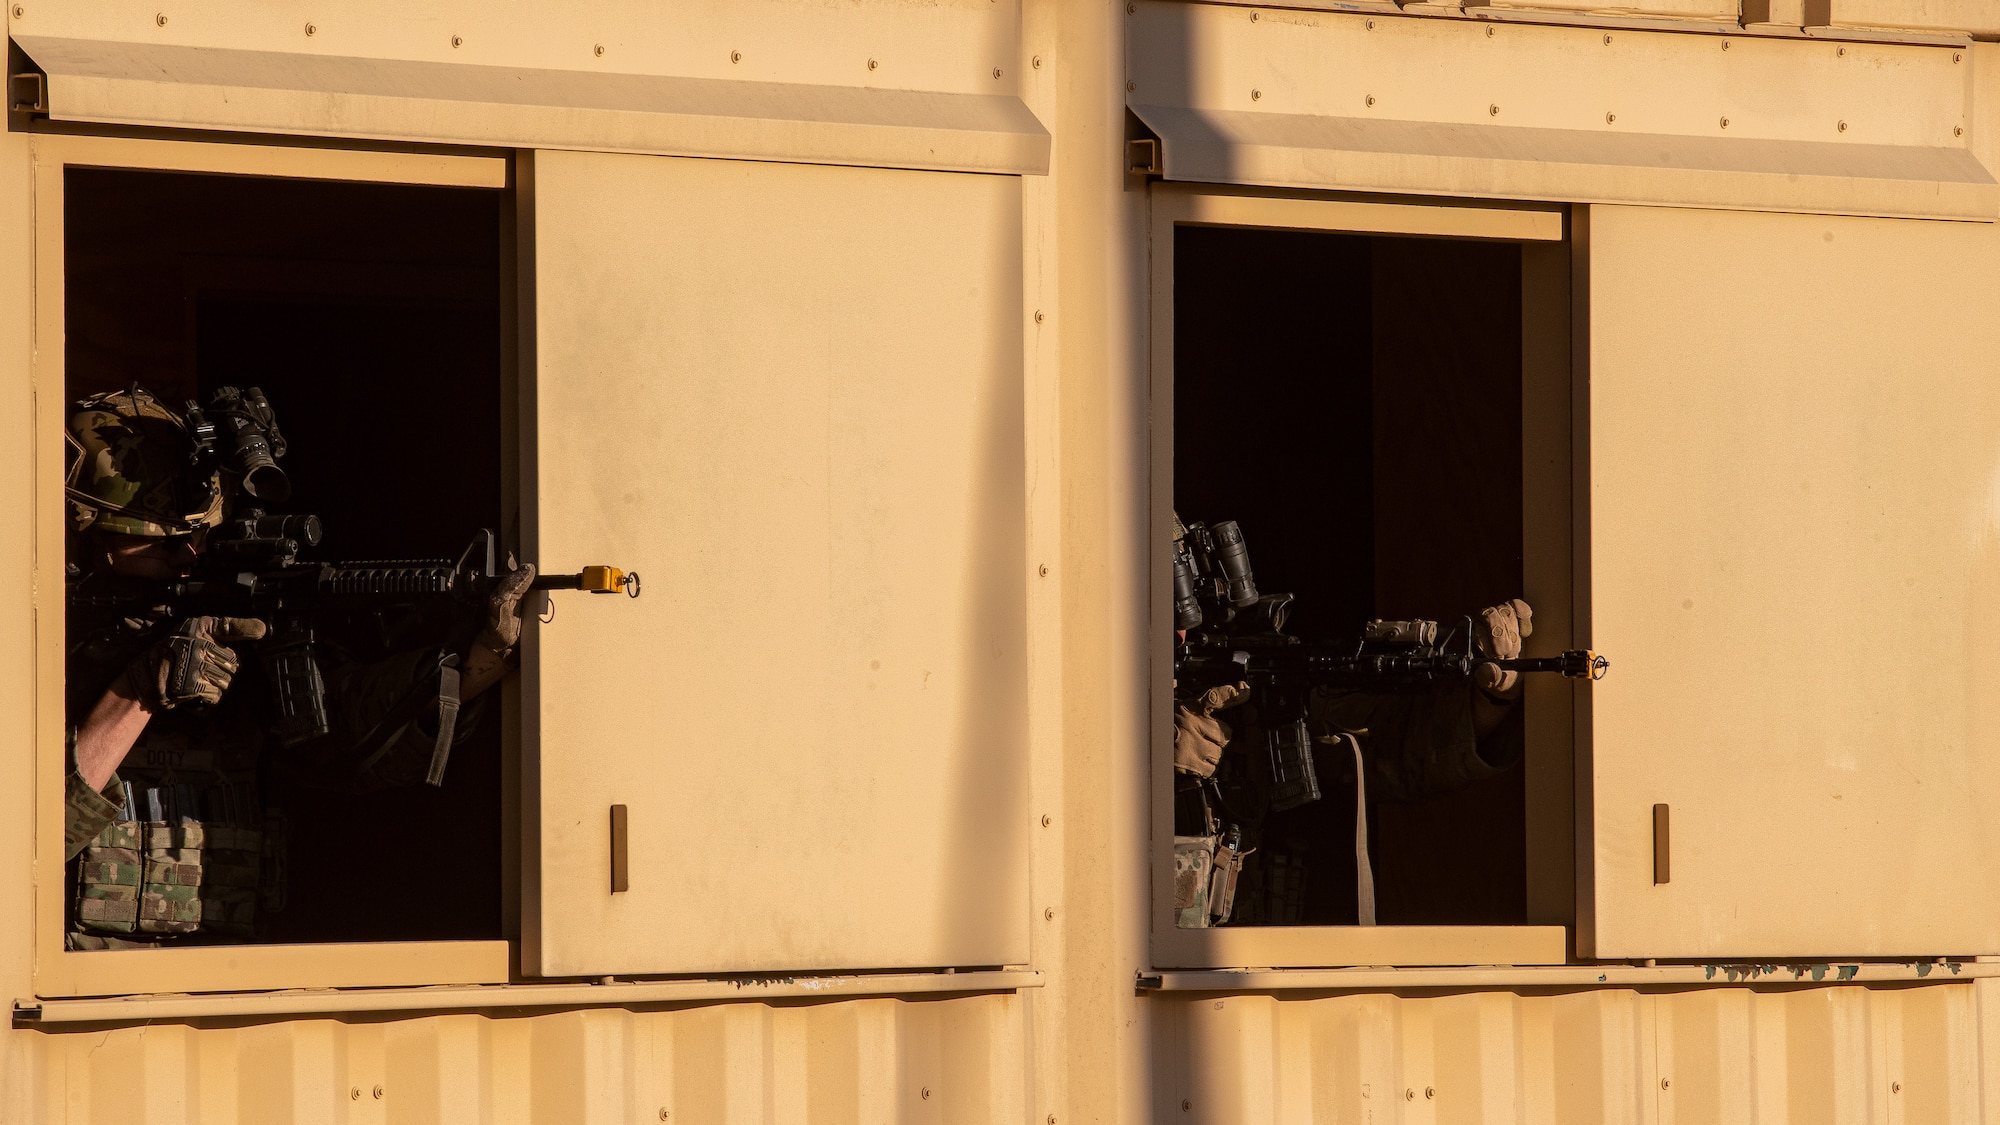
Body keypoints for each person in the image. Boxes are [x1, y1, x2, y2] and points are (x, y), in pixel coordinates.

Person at [61, 386, 532, 946]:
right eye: (165, 544)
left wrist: (480, 660)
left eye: (198, 540)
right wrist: (141, 688)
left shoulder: (223, 629)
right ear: (85, 527)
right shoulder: (44, 649)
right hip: (81, 980)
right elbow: (36, 839)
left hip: (218, 970)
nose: (188, 557)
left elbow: (345, 743)